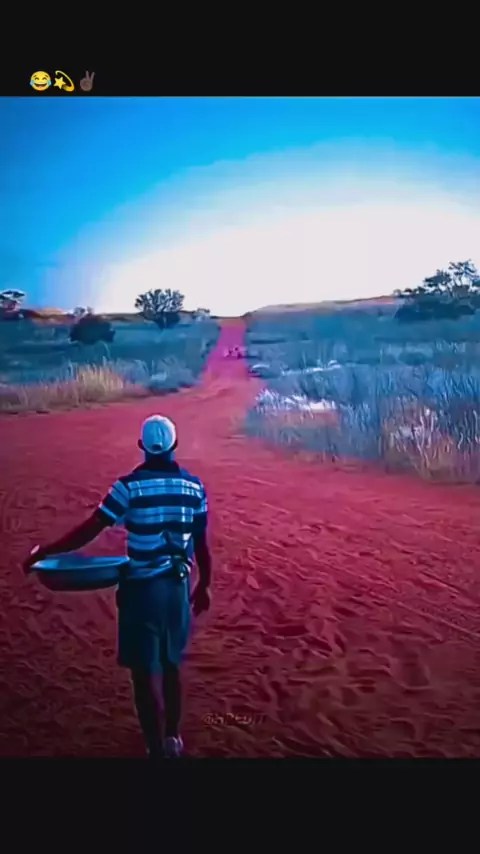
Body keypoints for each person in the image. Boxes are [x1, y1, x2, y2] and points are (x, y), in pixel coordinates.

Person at [23, 415, 212, 759]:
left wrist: (46, 552)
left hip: (141, 590)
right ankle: (172, 738)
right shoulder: (194, 488)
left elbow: (90, 528)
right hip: (177, 589)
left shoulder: (128, 488)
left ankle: (154, 747)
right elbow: (200, 543)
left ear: (142, 446)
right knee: (171, 664)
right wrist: (205, 585)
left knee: (143, 672)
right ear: (175, 445)